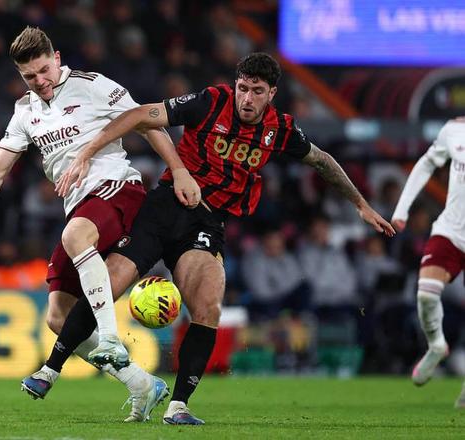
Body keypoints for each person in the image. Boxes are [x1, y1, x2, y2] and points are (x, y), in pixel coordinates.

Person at [30, 52, 395, 425]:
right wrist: (88, 153)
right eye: (242, 88)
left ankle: (178, 405)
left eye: (256, 91)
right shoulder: (210, 102)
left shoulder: (281, 129)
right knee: (107, 285)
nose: (247, 98)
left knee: (208, 306)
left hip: (206, 224)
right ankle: (50, 369)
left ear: (272, 93)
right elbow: (140, 115)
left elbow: (322, 160)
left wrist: (361, 205)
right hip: (163, 209)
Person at [0, 27, 201, 422]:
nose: (40, 81)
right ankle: (141, 383)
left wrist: (179, 170)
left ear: (57, 59)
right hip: (80, 207)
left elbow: (148, 122)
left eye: (44, 70)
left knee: (75, 234)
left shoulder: (92, 85)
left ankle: (110, 337)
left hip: (118, 188)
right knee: (57, 315)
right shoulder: (24, 111)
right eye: (29, 76)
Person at [391, 117, 465, 408]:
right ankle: (436, 344)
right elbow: (426, 163)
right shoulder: (454, 130)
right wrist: (402, 210)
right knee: (425, 294)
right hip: (451, 231)